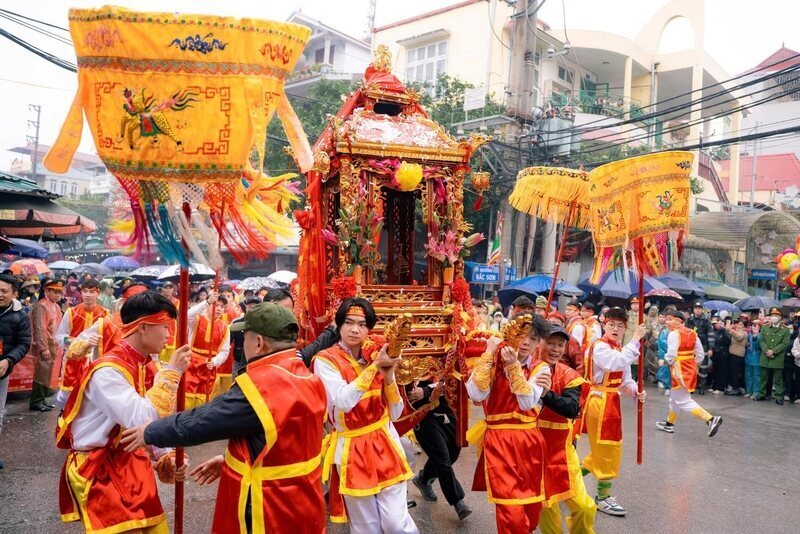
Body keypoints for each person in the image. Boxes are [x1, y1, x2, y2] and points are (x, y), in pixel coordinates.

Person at [121, 303, 328, 533]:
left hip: (268, 505)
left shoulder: (263, 385)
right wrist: (231, 459)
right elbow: (283, 440)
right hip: (304, 499)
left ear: (258, 343)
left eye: (244, 338)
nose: (241, 344)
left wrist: (150, 431)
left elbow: (201, 421)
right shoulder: (307, 376)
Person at [56, 291, 191, 533]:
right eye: (165, 326)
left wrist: (166, 456)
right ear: (143, 328)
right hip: (102, 468)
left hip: (132, 461)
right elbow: (142, 418)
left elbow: (148, 428)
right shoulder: (108, 371)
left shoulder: (147, 364)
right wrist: (172, 374)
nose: (169, 335)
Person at [313, 298, 418, 533]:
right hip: (351, 447)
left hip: (384, 441)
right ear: (338, 326)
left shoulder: (376, 353)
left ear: (369, 329)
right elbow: (343, 401)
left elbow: (396, 412)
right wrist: (375, 368)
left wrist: (389, 375)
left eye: (361, 324)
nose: (354, 329)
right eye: (348, 323)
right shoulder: (325, 360)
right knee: (365, 527)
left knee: (395, 523)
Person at [466, 315, 551, 534]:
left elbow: (526, 401)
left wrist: (513, 366)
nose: (526, 342)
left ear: (539, 343)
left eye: (532, 338)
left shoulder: (542, 369)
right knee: (510, 508)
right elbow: (475, 392)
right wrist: (488, 354)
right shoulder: (493, 361)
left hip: (530, 442)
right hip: (500, 442)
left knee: (531, 506)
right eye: (522, 336)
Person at [581, 307, 647, 517]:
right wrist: (636, 340)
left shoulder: (619, 348)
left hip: (611, 402)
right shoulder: (600, 347)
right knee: (607, 450)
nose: (615, 329)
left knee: (604, 450)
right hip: (600, 402)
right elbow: (615, 363)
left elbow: (624, 380)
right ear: (604, 325)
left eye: (620, 326)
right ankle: (602, 497)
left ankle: (567, 480)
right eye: (611, 325)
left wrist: (636, 392)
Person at [537, 325, 596, 534]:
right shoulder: (525, 370)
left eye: (560, 345)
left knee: (584, 506)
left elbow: (571, 408)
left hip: (563, 452)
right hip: (535, 455)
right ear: (539, 342)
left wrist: (546, 394)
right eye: (550, 343)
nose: (555, 349)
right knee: (549, 514)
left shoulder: (568, 375)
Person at [409, 377, 472, 521]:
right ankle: (458, 501)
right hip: (423, 414)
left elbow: (455, 380)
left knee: (453, 453)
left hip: (447, 408)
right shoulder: (411, 354)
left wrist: (427, 391)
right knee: (442, 457)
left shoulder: (449, 355)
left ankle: (423, 479)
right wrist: (417, 391)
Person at [655, 310, 723, 436]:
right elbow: (700, 354)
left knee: (683, 400)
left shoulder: (673, 334)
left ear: (679, 321)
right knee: (675, 399)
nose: (667, 321)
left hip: (678, 370)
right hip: (689, 369)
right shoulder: (692, 333)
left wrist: (664, 360)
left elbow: (671, 354)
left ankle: (711, 419)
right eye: (666, 319)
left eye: (670, 319)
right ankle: (669, 423)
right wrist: (693, 364)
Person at [55, 279, 110, 407]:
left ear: (98, 293)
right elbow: (60, 337)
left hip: (95, 360)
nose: (88, 295)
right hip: (73, 360)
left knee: (92, 396)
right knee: (69, 397)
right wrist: (78, 342)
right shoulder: (71, 312)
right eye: (85, 291)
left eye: (92, 292)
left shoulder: (105, 314)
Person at [0, 274, 32, 470]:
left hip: (1, 371)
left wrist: (8, 360)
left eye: (4, 291)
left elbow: (24, 342)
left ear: (14, 294)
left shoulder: (20, 316)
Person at [185, 291, 230, 408]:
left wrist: (215, 361)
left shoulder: (225, 327)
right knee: (187, 398)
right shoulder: (197, 319)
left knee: (203, 401)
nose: (219, 308)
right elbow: (187, 315)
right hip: (191, 365)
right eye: (217, 304)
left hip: (208, 367)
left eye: (222, 306)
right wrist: (207, 302)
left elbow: (224, 352)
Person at [29, 278, 65, 412]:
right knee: (41, 373)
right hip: (44, 346)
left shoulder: (55, 306)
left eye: (59, 292)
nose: (57, 295)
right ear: (46, 291)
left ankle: (42, 400)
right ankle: (36, 402)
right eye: (54, 292)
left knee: (48, 373)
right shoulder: (42, 305)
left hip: (53, 346)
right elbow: (39, 329)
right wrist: (43, 348)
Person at [757, 307, 791, 404]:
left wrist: (774, 351)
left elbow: (785, 343)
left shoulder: (785, 330)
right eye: (772, 315)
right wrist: (767, 350)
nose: (773, 317)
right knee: (763, 377)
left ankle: (778, 397)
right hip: (765, 356)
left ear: (780, 317)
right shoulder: (765, 327)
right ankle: (762, 394)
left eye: (776, 316)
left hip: (777, 357)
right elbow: (762, 341)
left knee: (778, 379)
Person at [229, 295, 261, 377]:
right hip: (239, 362)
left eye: (256, 307)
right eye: (250, 307)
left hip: (257, 362)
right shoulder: (237, 323)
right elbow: (228, 342)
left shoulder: (264, 324)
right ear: (246, 307)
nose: (252, 309)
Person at [686, 302, 712, 392]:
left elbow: (711, 335)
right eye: (696, 308)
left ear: (702, 310)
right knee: (691, 367)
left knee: (703, 368)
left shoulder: (706, 321)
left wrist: (710, 348)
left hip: (703, 346)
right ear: (693, 309)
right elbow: (685, 332)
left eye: (699, 308)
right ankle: (691, 386)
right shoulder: (689, 320)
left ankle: (701, 387)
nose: (698, 310)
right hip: (691, 346)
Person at [709, 317, 731, 394]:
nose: (717, 325)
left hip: (723, 354)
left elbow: (728, 341)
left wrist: (724, 330)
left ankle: (720, 388)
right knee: (715, 371)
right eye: (716, 323)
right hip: (715, 353)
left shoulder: (724, 332)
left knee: (722, 371)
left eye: (720, 323)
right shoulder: (713, 331)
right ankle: (714, 386)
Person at [726, 321, 747, 395]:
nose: (738, 325)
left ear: (744, 327)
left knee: (735, 373)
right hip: (733, 354)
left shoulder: (743, 333)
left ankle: (736, 388)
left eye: (741, 324)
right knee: (732, 372)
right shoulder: (736, 332)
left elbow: (738, 337)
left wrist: (730, 330)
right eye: (738, 324)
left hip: (738, 355)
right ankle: (733, 387)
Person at [744, 320, 762, 399]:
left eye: (756, 325)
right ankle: (749, 391)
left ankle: (756, 392)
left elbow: (759, 345)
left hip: (757, 359)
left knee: (756, 376)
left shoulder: (761, 335)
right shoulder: (749, 335)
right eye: (753, 325)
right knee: (748, 376)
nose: (754, 326)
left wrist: (756, 335)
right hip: (748, 358)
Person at [792, 334, 800, 404]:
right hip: (798, 364)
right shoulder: (797, 340)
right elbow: (794, 349)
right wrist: (798, 355)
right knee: (798, 381)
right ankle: (799, 397)